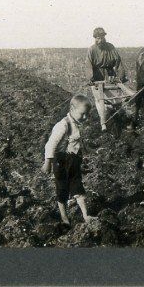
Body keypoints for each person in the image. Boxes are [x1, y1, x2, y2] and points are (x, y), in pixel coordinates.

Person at [41, 95, 96, 224]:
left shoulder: (76, 123)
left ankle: (86, 216)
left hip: (73, 161)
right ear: (72, 109)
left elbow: (76, 142)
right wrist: (47, 163)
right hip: (61, 162)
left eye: (87, 115)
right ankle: (65, 218)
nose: (85, 118)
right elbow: (50, 145)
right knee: (62, 189)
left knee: (78, 187)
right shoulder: (63, 125)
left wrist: (83, 154)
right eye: (83, 114)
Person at [87, 27, 134, 131]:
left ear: (104, 37)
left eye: (101, 37)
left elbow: (118, 62)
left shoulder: (111, 47)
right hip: (98, 76)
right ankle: (103, 121)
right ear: (95, 38)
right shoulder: (92, 50)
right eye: (97, 38)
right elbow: (89, 65)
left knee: (117, 99)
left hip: (110, 75)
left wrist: (120, 77)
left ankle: (121, 117)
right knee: (100, 99)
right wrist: (91, 78)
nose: (99, 40)